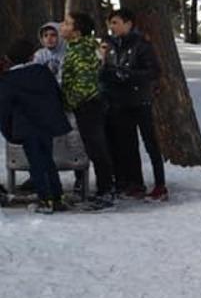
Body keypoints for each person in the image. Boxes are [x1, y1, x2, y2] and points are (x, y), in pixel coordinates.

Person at [0, 39, 72, 213]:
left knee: (36, 162)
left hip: (25, 127)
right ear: (32, 56)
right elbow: (57, 94)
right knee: (48, 159)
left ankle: (44, 198)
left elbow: (4, 107)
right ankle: (58, 196)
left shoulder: (9, 79)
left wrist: (8, 130)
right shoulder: (42, 72)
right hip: (46, 124)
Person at [102, 9, 167, 201]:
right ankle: (133, 183)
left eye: (115, 22)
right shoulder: (110, 45)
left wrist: (129, 75)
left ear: (128, 24)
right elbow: (106, 70)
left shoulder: (142, 45)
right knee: (126, 144)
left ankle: (160, 184)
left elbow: (153, 71)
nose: (112, 27)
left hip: (140, 101)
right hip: (119, 102)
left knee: (150, 142)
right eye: (110, 23)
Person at [60, 11, 116, 211]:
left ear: (76, 31)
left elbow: (84, 84)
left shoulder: (82, 50)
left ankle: (106, 191)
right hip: (86, 104)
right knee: (94, 148)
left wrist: (69, 102)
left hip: (88, 105)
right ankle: (104, 189)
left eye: (67, 23)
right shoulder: (76, 47)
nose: (62, 26)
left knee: (96, 148)